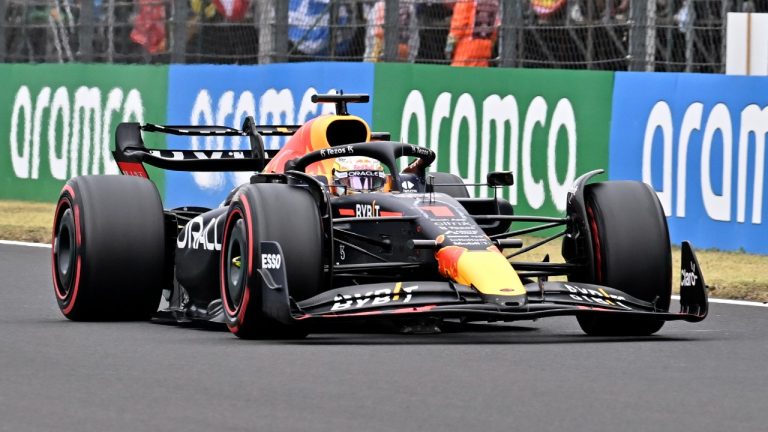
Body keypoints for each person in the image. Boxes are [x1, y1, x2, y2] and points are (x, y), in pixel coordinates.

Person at [445, 0, 500, 67]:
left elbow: (459, 22)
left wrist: (451, 42)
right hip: (485, 49)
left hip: (466, 49)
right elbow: (496, 25)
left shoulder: (466, 1)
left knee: (459, 75)